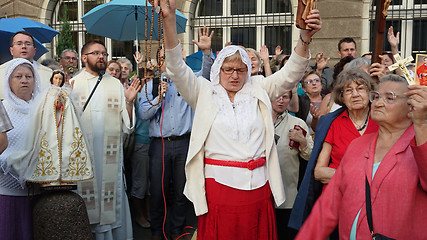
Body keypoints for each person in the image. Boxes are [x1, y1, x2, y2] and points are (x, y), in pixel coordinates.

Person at [153, 0, 321, 239]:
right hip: (218, 187)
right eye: (228, 69)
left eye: (240, 70)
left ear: (247, 71)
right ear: (218, 69)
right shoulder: (203, 91)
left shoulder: (259, 87)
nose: (234, 75)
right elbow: (176, 68)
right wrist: (168, 20)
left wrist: (305, 36)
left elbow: (291, 74)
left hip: (258, 187)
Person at [295, 75, 427, 240]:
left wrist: (421, 124)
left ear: (411, 107)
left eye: (389, 98)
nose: (378, 102)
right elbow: (327, 206)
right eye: (376, 96)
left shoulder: (419, 145)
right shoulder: (358, 146)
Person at [138, 25, 214, 240]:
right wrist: (158, 98)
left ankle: (178, 231)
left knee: (182, 191)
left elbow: (208, 76)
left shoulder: (189, 80)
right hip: (159, 144)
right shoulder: (151, 84)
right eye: (163, 58)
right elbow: (143, 114)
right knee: (158, 191)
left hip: (183, 142)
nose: (168, 62)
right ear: (158, 62)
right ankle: (158, 232)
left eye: (171, 57)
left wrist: (207, 52)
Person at [289, 68, 379, 233]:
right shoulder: (333, 123)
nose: (355, 94)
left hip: (376, 203)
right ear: (341, 96)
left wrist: (339, 175)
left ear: (370, 92)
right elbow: (319, 172)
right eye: (349, 90)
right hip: (340, 202)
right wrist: (362, 176)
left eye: (360, 89)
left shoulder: (382, 120)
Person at [70, 39, 141, 240]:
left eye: (104, 53)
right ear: (84, 58)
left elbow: (126, 126)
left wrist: (128, 101)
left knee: (112, 198)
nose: (101, 56)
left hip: (110, 157)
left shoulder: (114, 84)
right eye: (96, 53)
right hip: (84, 159)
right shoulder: (74, 84)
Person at [0, 58, 41, 240]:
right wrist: (11, 163)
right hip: (7, 191)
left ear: (35, 81)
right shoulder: (2, 109)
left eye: (28, 76)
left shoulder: (43, 109)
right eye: (18, 76)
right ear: (9, 81)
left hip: (39, 191)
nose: (24, 80)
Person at [272, 91, 313, 240]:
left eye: (285, 97)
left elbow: (310, 155)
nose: (281, 100)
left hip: (287, 197)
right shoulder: (257, 120)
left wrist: (302, 142)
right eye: (277, 96)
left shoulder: (297, 124)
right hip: (261, 196)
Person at [0, 31, 52, 99]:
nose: (24, 47)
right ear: (11, 50)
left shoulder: (49, 74)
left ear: (34, 51)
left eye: (28, 44)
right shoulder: (1, 72)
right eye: (19, 43)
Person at [293, 70, 324, 135]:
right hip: (308, 140)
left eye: (317, 80)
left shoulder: (329, 100)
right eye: (309, 82)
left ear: (321, 85)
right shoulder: (300, 101)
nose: (314, 83)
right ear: (304, 88)